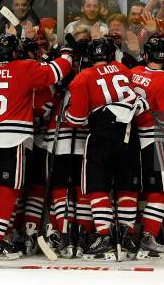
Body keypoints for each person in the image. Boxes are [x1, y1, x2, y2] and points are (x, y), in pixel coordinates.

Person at [0, 34, 73, 260]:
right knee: (7, 189)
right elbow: (57, 72)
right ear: (13, 52)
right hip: (13, 139)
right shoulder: (24, 67)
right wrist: (67, 53)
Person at [65, 37, 145, 260]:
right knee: (127, 185)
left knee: (97, 184)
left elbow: (76, 118)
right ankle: (127, 237)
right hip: (129, 131)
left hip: (102, 133)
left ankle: (104, 236)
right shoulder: (122, 69)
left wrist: (66, 112)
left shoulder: (82, 78)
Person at [130, 33, 164, 260]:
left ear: (146, 54)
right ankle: (149, 238)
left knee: (136, 191)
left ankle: (131, 238)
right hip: (154, 141)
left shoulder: (133, 73)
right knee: (160, 191)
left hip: (131, 142)